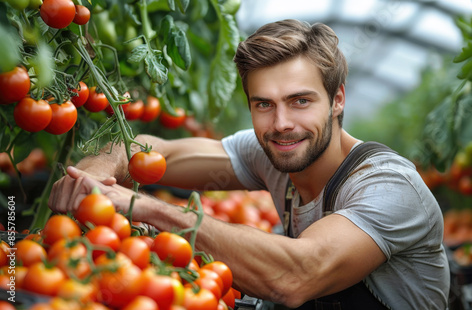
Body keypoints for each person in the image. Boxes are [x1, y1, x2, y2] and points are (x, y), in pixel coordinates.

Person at [49, 19, 450, 309]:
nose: (281, 124)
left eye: (300, 100)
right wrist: (94, 174)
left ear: (338, 100)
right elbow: (149, 150)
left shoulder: (388, 186)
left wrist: (142, 207)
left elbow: (297, 275)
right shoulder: (269, 151)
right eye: (263, 105)